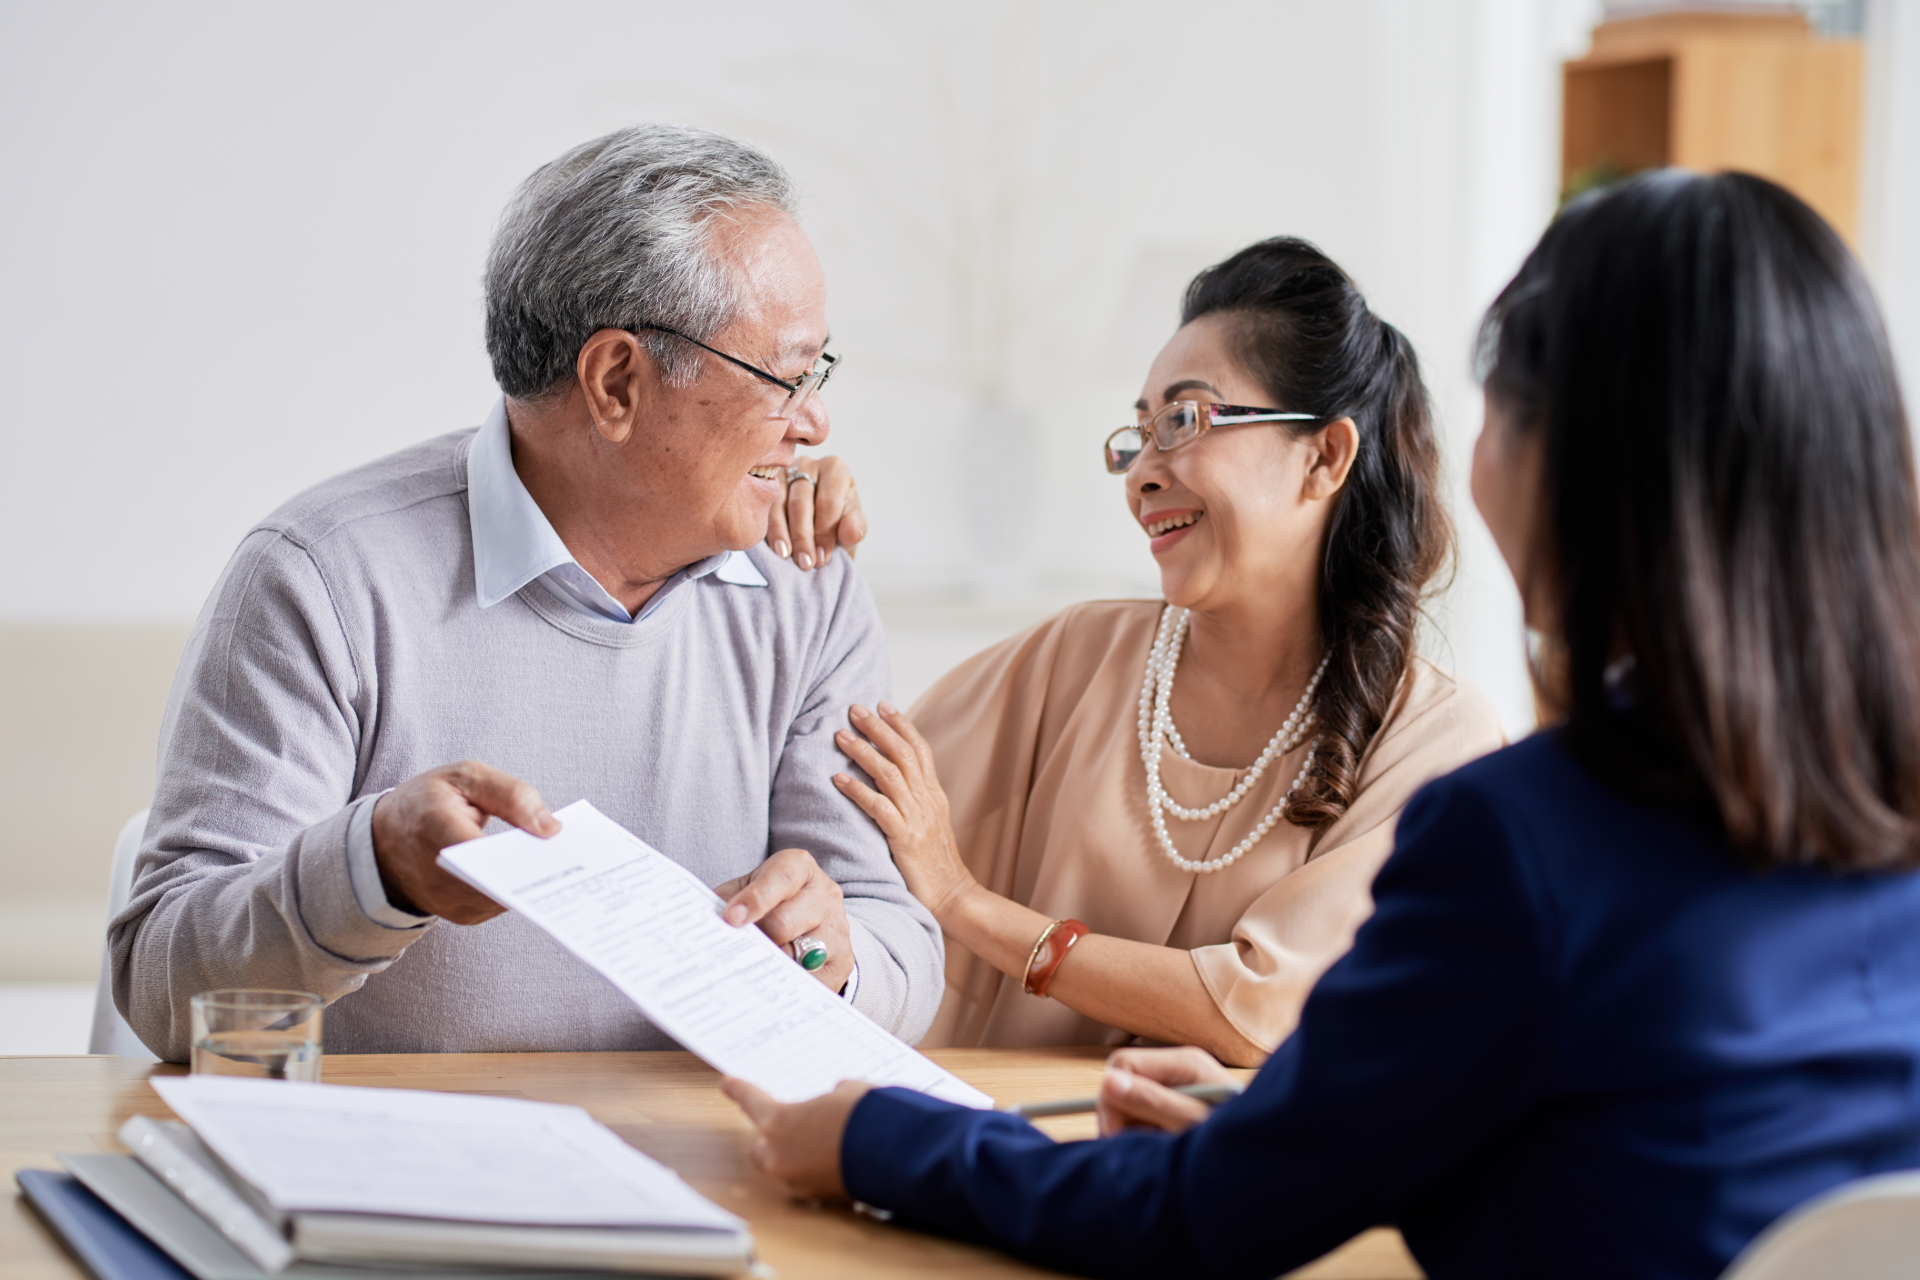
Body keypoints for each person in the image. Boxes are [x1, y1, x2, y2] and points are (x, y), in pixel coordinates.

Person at [725, 171, 1920, 1279]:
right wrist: (1287, 1110)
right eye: (1141, 430)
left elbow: (1206, 1213)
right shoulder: (1883, 823)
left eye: (1496, 409)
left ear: (1574, 462)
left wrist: (879, 1139)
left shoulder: (1514, 838)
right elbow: (1614, 1135)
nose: (1147, 469)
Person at [111, 124, 943, 1060]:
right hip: (403, 1179)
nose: (816, 421)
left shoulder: (808, 588)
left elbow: (900, 944)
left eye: (818, 373)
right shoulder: (324, 576)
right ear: (617, 381)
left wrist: (832, 960)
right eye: (786, 376)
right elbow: (160, 990)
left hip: (715, 1174)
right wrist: (374, 869)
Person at [830, 239, 1504, 1064]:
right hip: (987, 1154)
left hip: (1221, 1190)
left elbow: (1265, 1011)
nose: (1142, 473)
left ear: (1325, 456)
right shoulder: (1074, 657)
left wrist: (968, 905)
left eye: (1184, 421)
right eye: (1140, 433)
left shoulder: (1437, 739)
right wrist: (800, 555)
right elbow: (838, 799)